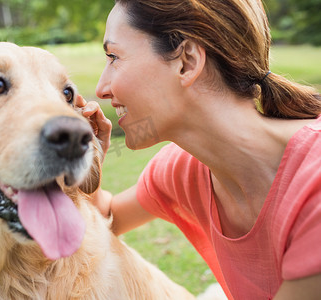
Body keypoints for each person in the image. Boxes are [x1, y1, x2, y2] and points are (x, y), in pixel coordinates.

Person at [76, 0, 321, 299]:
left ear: (187, 62)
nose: (101, 88)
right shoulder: (183, 170)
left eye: (114, 56)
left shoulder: (315, 181)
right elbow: (108, 218)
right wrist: (86, 160)